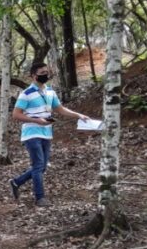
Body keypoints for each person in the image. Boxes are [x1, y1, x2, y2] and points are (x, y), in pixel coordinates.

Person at [9, 62, 90, 207]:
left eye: (46, 72)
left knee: (42, 166)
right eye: (42, 73)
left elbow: (60, 109)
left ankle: (16, 182)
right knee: (39, 165)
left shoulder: (50, 92)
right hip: (31, 132)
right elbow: (16, 115)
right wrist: (37, 120)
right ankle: (40, 198)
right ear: (34, 75)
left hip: (46, 132)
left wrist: (79, 115)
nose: (45, 75)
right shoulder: (26, 94)